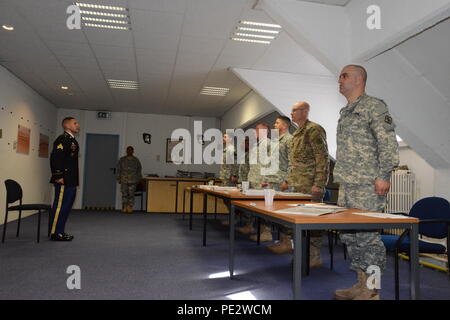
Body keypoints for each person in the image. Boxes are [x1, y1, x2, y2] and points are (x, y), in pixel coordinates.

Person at [334, 65, 399, 300]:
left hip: (368, 185)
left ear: (359, 80)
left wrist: (384, 175)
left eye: (344, 75)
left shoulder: (374, 106)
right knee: (350, 237)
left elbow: (388, 144)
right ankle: (361, 283)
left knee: (368, 239)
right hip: (348, 184)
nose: (339, 79)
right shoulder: (346, 111)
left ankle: (372, 291)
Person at [275, 103, 329, 268]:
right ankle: (301, 253)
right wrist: (287, 181)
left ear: (305, 112)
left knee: (312, 225)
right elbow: (294, 162)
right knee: (298, 222)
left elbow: (322, 158)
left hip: (310, 186)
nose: (291, 113)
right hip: (296, 187)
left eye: (294, 110)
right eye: (291, 110)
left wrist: (319, 184)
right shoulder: (297, 133)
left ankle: (314, 256)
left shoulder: (313, 130)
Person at [236, 123, 273, 242]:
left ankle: (266, 232)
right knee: (256, 208)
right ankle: (254, 228)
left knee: (265, 209)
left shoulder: (268, 144)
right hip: (254, 181)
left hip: (263, 182)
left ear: (265, 131)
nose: (255, 131)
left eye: (257, 129)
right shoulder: (257, 145)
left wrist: (268, 180)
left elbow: (272, 164)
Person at [49, 117, 80, 241]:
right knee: (60, 207)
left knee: (67, 206)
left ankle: (60, 231)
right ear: (67, 125)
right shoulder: (62, 139)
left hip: (71, 180)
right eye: (75, 123)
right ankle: (55, 233)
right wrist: (58, 176)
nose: (78, 125)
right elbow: (56, 158)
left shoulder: (72, 140)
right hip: (63, 179)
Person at [116, 146, 142, 213]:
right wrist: (118, 178)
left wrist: (139, 179)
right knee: (124, 194)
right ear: (126, 151)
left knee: (131, 194)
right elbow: (118, 169)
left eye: (131, 150)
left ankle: (130, 207)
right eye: (128, 150)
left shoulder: (136, 160)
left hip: (133, 180)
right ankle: (124, 207)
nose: (129, 151)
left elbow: (139, 170)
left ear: (133, 151)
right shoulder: (122, 159)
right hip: (124, 180)